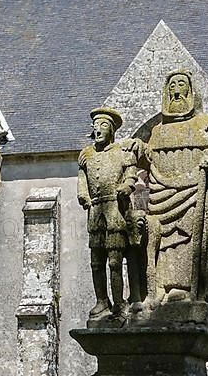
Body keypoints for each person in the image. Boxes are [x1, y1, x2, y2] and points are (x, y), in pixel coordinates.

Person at [123, 70, 208, 305]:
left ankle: (183, 289)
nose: (176, 89)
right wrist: (138, 148)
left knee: (186, 241)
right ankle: (160, 288)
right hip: (160, 196)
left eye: (181, 84)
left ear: (190, 90)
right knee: (162, 243)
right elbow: (150, 158)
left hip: (190, 195)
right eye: (172, 85)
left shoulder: (205, 124)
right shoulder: (157, 130)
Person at [77, 107, 138, 318]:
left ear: (111, 130)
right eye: (95, 126)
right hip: (95, 211)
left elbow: (132, 175)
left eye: (103, 126)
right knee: (96, 262)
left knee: (114, 261)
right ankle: (102, 301)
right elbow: (82, 179)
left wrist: (126, 187)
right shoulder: (86, 155)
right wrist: (83, 195)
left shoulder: (122, 153)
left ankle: (119, 302)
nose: (98, 130)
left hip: (114, 210)